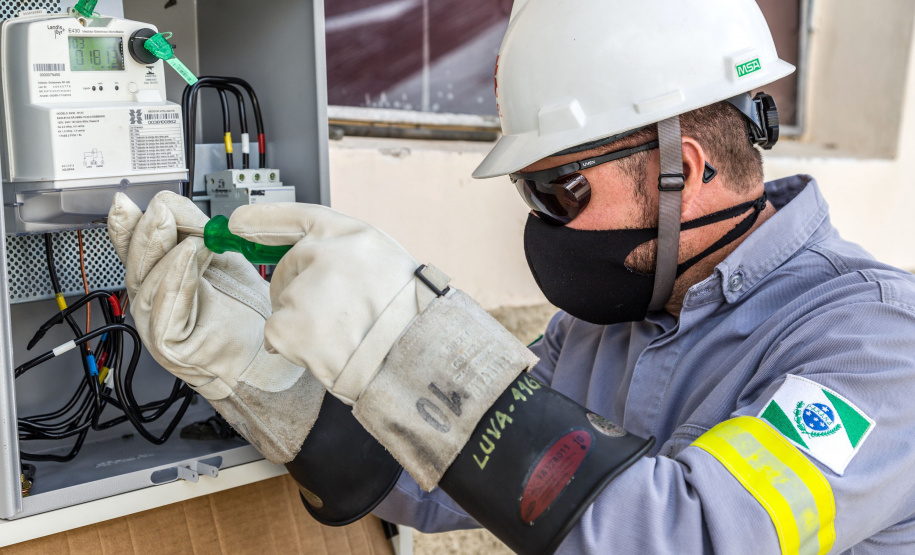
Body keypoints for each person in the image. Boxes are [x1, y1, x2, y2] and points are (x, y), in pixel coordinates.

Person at [107, 1, 915, 553]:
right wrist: (260, 368)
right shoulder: (599, 328)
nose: (540, 223)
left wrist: (409, 337)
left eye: (558, 190)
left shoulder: (875, 350)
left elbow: (671, 536)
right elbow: (443, 477)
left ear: (688, 170)